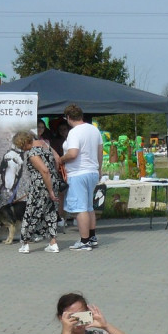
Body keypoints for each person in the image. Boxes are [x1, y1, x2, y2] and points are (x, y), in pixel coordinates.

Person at [61, 104, 103, 251]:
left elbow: (73, 153)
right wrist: (99, 169)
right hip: (92, 171)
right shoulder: (94, 129)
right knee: (89, 207)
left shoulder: (74, 132)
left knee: (80, 208)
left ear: (68, 117)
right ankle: (92, 237)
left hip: (78, 172)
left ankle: (84, 241)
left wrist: (61, 159)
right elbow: (100, 151)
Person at [15, 130, 60, 254]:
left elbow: (44, 171)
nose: (22, 149)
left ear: (24, 143)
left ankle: (25, 243)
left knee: (31, 212)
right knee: (51, 212)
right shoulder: (45, 144)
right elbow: (57, 159)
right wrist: (54, 177)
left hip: (40, 185)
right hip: (53, 180)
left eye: (21, 146)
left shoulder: (32, 152)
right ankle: (53, 242)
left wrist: (49, 190)